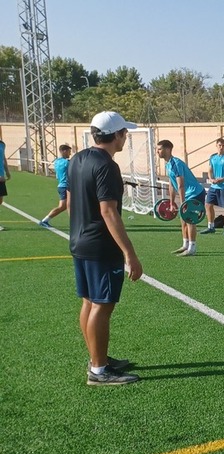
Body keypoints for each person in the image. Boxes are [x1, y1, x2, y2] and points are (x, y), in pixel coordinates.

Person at [68, 111, 143, 385]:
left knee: (89, 301)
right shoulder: (108, 166)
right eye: (125, 133)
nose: (126, 138)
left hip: (79, 241)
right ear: (117, 135)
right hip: (100, 246)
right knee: (103, 304)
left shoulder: (77, 159)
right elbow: (109, 212)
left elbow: (70, 199)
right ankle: (99, 371)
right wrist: (130, 254)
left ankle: (96, 357)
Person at [156, 140, 206, 256]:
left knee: (190, 219)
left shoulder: (176, 164)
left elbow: (181, 185)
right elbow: (172, 184)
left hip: (195, 193)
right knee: (182, 220)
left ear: (168, 149)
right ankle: (185, 244)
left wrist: (183, 203)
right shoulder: (168, 164)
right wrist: (172, 203)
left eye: (159, 149)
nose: (157, 152)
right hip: (187, 194)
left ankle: (192, 248)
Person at [39, 144, 73, 227]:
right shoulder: (67, 162)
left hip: (61, 185)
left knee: (66, 206)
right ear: (64, 151)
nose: (70, 153)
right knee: (64, 206)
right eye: (69, 151)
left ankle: (45, 220)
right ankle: (44, 220)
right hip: (66, 186)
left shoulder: (57, 161)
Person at [0, 136, 9, 231]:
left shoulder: (2, 144)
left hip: (1, 177)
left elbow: (3, 159)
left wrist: (7, 171)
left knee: (0, 201)